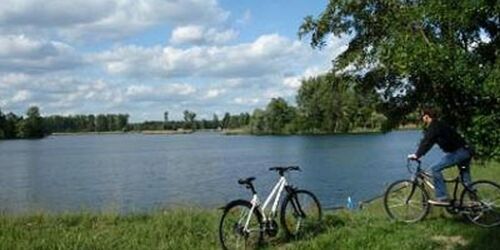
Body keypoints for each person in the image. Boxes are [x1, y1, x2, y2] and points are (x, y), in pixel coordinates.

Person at [407, 108, 473, 205]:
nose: (422, 119)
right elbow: (429, 143)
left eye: (422, 116)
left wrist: (417, 155)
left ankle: (442, 197)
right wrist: (420, 153)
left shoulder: (434, 126)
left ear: (426, 116)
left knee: (435, 168)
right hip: (466, 151)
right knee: (466, 180)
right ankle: (476, 203)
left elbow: (427, 141)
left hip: (459, 152)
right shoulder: (439, 124)